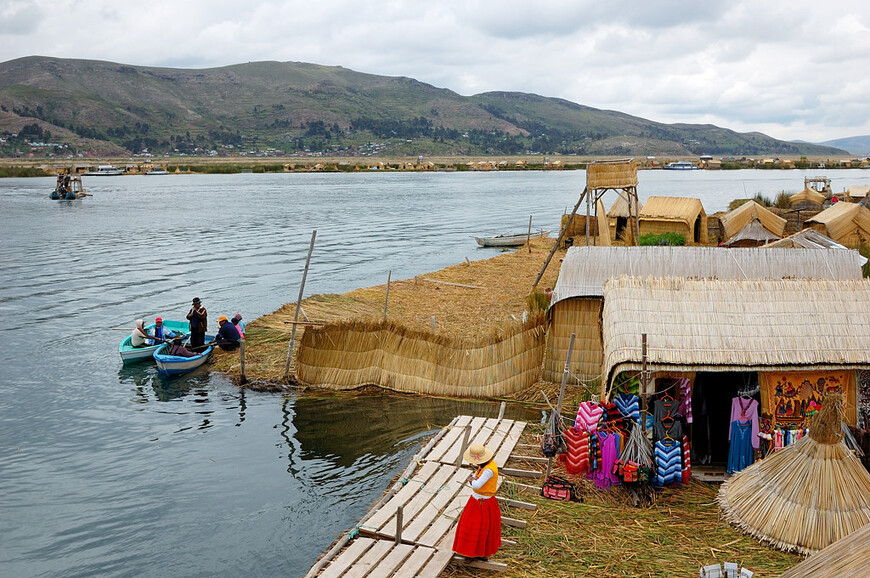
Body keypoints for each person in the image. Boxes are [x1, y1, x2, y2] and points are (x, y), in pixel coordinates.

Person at [452, 444, 501, 560]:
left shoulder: (488, 470)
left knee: (475, 527)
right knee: (478, 527)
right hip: (477, 500)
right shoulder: (484, 466)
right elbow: (476, 475)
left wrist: (471, 481)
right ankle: (474, 552)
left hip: (482, 503)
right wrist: (474, 478)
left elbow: (477, 484)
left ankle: (476, 552)